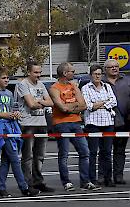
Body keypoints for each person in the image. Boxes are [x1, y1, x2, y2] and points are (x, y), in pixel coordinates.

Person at [0, 68, 39, 198]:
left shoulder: (9, 93)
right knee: (14, 158)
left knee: (6, 160)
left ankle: (1, 187)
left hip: (10, 126)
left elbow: (13, 108)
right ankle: (24, 187)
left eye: (7, 78)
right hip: (0, 127)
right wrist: (4, 115)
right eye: (3, 78)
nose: (6, 80)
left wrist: (15, 114)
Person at [48, 62, 99, 191]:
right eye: (72, 71)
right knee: (64, 154)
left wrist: (70, 107)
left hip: (76, 122)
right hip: (61, 123)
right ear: (65, 73)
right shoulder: (54, 88)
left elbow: (83, 105)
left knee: (84, 151)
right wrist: (74, 106)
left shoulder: (74, 86)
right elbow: (61, 108)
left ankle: (85, 182)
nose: (74, 73)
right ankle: (66, 182)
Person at [13, 62, 54, 193]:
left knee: (40, 155)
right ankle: (27, 183)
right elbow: (31, 104)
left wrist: (40, 102)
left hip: (41, 123)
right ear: (29, 72)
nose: (38, 75)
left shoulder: (41, 85)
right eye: (36, 72)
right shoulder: (23, 84)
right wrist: (42, 102)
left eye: (40, 72)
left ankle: (38, 181)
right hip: (28, 123)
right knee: (28, 156)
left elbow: (51, 102)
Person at [82, 64, 117, 187]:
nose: (97, 76)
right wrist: (104, 102)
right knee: (92, 152)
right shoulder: (86, 88)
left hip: (108, 123)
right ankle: (93, 178)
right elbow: (89, 106)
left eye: (99, 74)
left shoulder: (107, 87)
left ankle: (108, 178)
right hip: (93, 123)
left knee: (107, 152)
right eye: (95, 74)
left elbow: (114, 101)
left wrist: (99, 104)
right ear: (91, 75)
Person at [103, 57, 130, 185]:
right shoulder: (101, 82)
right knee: (105, 150)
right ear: (105, 69)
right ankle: (104, 176)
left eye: (116, 66)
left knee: (120, 150)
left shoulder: (127, 80)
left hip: (125, 120)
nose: (114, 68)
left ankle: (118, 176)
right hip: (105, 121)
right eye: (111, 67)